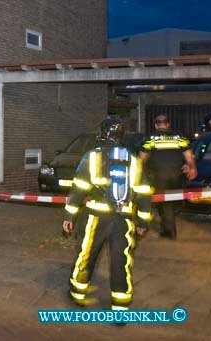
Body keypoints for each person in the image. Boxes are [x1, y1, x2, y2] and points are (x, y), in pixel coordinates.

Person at [63, 116, 153, 311]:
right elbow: (144, 193)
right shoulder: (133, 159)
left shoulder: (91, 157)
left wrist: (69, 217)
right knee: (121, 260)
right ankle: (120, 305)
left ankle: (78, 294)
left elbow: (78, 190)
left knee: (86, 255)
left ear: (102, 133)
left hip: (95, 217)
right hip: (124, 220)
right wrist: (143, 222)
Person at [139, 114, 197, 239]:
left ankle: (169, 231)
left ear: (156, 125)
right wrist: (192, 168)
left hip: (158, 175)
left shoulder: (150, 139)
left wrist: (138, 173)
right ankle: (168, 226)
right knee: (169, 201)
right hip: (177, 175)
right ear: (168, 124)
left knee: (164, 203)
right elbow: (189, 155)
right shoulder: (179, 137)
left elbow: (141, 159)